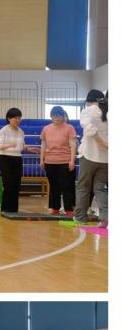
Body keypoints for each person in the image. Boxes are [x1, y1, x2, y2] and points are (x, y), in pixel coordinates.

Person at [0, 108, 40, 213]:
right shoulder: (3, 130)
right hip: (5, 158)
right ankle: (5, 209)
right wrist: (10, 144)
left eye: (19, 118)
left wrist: (29, 148)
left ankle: (14, 209)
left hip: (17, 158)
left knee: (16, 184)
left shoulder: (21, 131)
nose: (18, 120)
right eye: (15, 118)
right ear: (9, 118)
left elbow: (21, 145)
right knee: (8, 183)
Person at [74, 90, 108, 227]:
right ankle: (105, 216)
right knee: (99, 188)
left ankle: (80, 217)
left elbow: (89, 129)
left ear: (88, 100)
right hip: (106, 159)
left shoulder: (89, 110)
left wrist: (101, 142)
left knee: (83, 187)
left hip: (89, 155)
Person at [41, 106, 78, 215]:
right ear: (51, 116)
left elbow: (73, 145)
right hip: (49, 161)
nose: (56, 118)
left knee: (66, 185)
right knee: (53, 186)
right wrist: (41, 159)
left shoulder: (69, 128)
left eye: (59, 115)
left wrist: (72, 160)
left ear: (63, 116)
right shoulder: (46, 129)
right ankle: (54, 208)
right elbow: (43, 144)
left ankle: (69, 209)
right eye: (54, 116)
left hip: (65, 161)